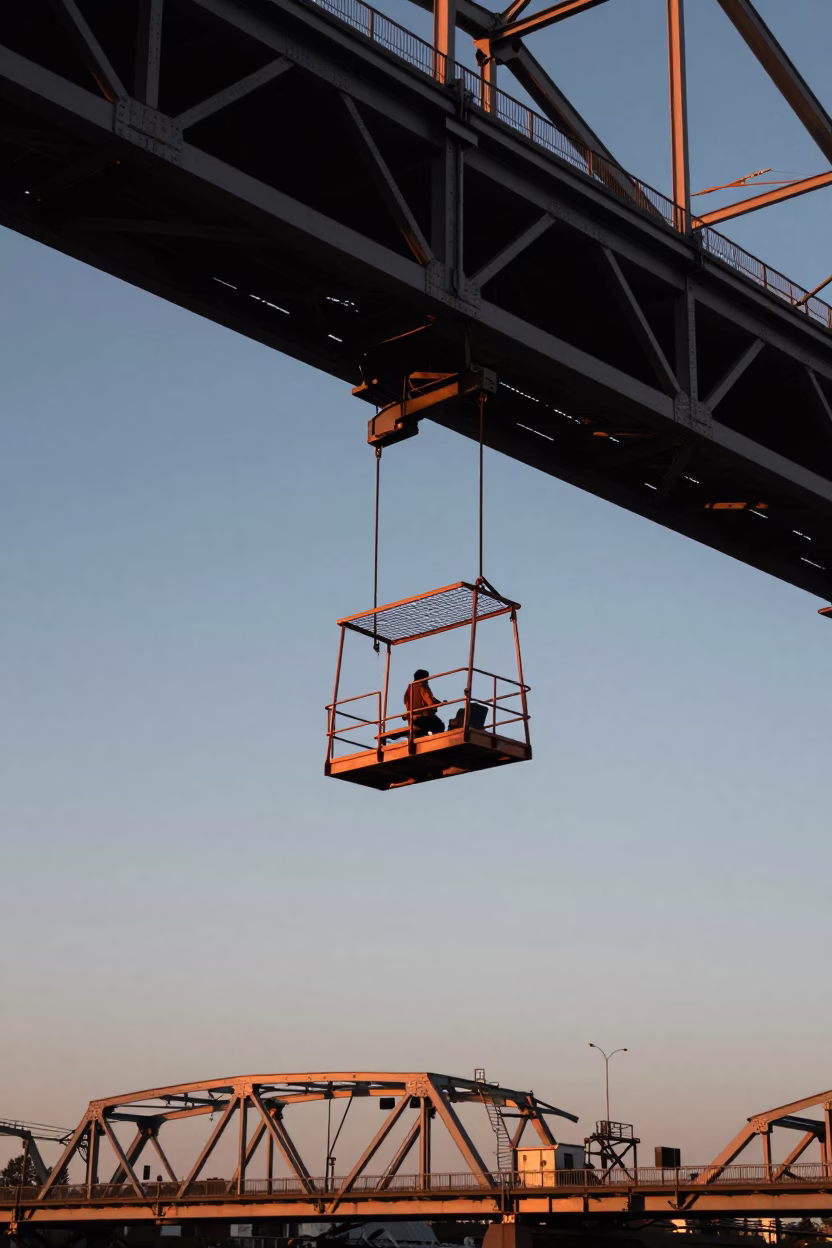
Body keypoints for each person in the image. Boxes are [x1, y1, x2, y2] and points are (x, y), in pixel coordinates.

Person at [405, 669, 445, 736]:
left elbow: (406, 702)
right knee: (440, 726)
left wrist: (439, 702)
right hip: (423, 717)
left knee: (421, 732)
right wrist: (439, 704)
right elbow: (429, 700)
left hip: (412, 718)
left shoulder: (409, 689)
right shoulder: (422, 685)